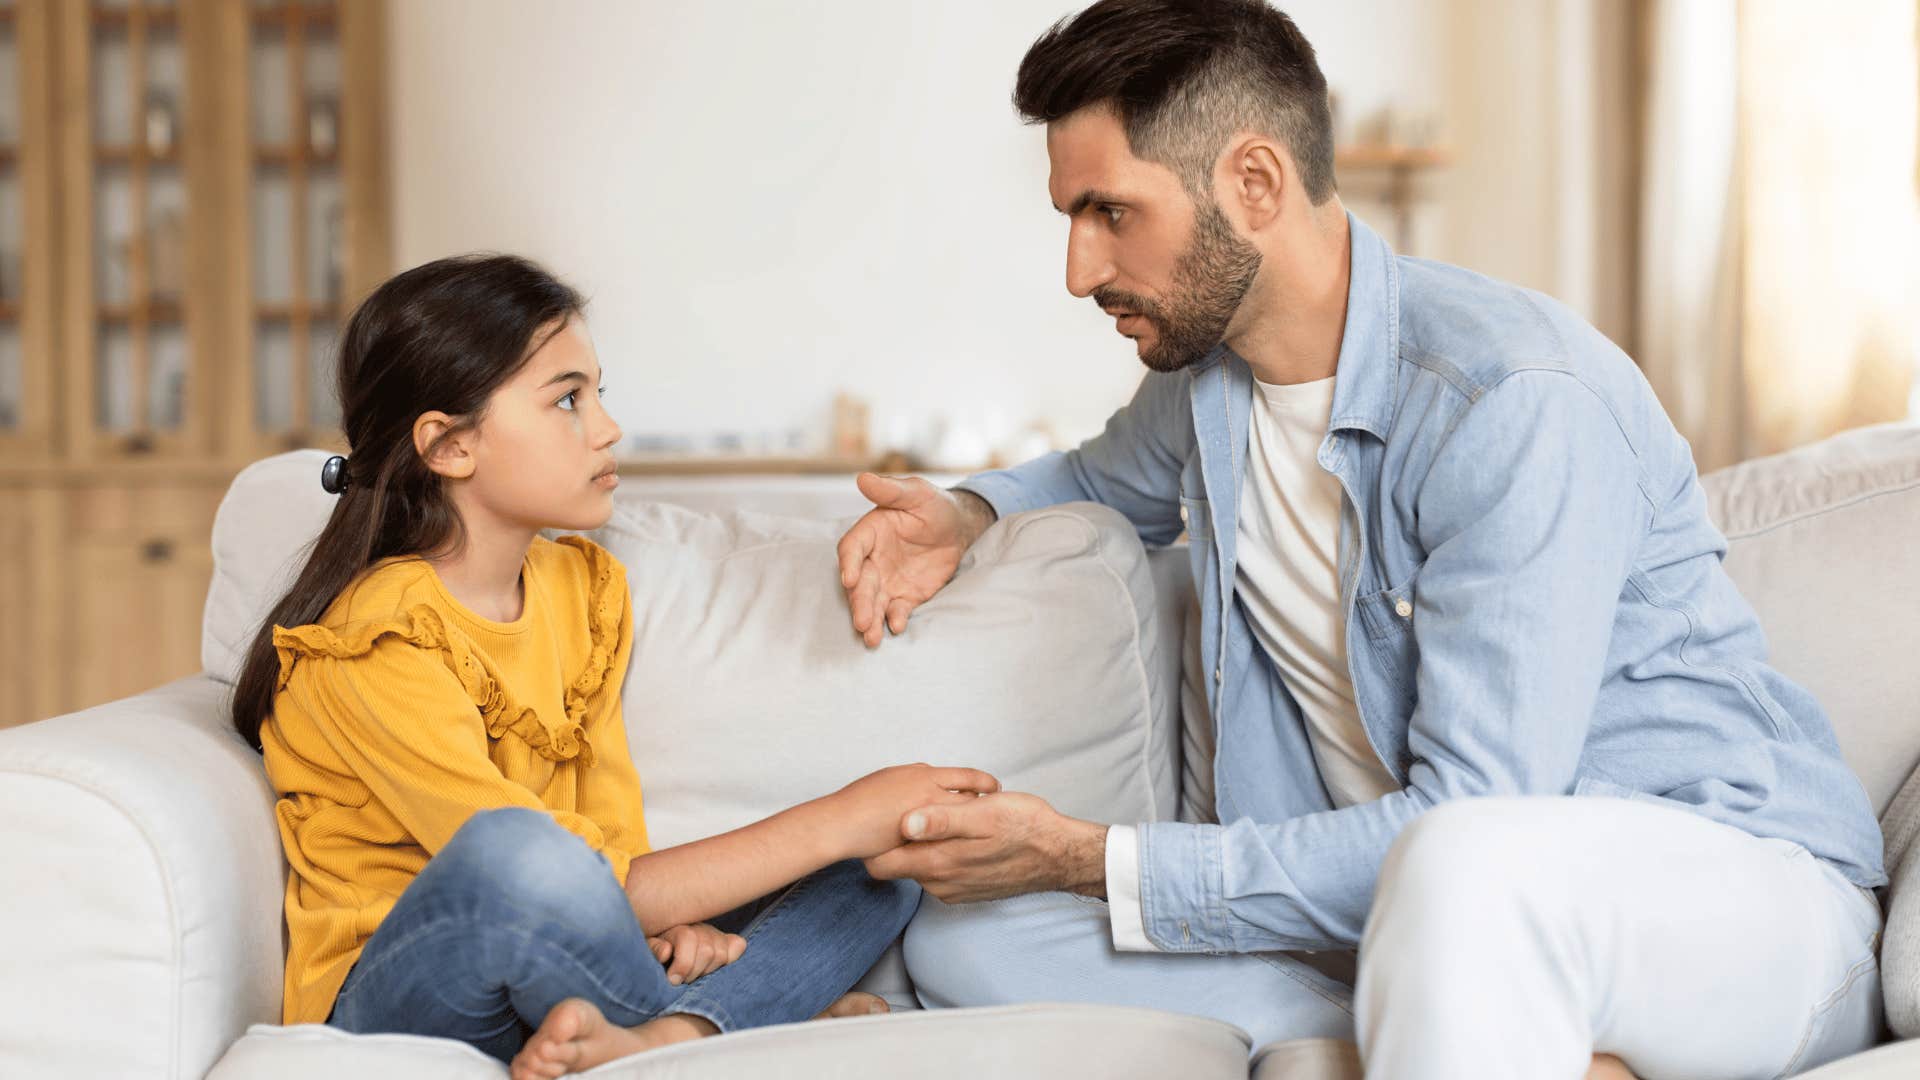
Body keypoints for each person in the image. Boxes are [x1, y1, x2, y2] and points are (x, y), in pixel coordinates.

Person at [834, 2, 1886, 1076]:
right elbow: (1091, 480)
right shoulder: (1208, 388)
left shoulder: (1511, 399)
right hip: (1407, 922)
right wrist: (967, 513)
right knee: (972, 928)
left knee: (1464, 865)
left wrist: (1097, 857)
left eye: (1110, 212)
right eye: (1071, 216)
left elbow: (1480, 813)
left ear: (1254, 182)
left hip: (1728, 897)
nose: (1078, 268)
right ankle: (1462, 1038)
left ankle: (1483, 1025)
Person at [228, 254, 999, 1080]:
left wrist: (661, 924)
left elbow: (611, 849)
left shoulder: (580, 590)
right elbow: (556, 878)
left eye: (598, 392)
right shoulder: (375, 640)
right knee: (516, 854)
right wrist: (841, 812)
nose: (606, 427)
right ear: (449, 446)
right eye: (567, 399)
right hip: (405, 997)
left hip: (565, 956)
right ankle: (738, 1024)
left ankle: (671, 1039)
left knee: (882, 868)